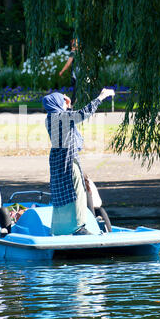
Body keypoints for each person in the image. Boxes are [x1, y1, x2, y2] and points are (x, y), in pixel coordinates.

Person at [42, 88, 114, 236]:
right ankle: (78, 227)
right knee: (77, 192)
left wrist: (66, 103)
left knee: (61, 194)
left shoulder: (50, 118)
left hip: (57, 162)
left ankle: (60, 228)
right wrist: (101, 96)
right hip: (68, 161)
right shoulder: (62, 117)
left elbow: (70, 116)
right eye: (62, 100)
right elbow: (83, 114)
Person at [59, 39, 79, 105]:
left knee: (75, 90)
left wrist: (61, 71)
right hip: (81, 74)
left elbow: (68, 64)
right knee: (78, 90)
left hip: (76, 73)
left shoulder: (73, 53)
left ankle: (71, 104)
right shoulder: (81, 52)